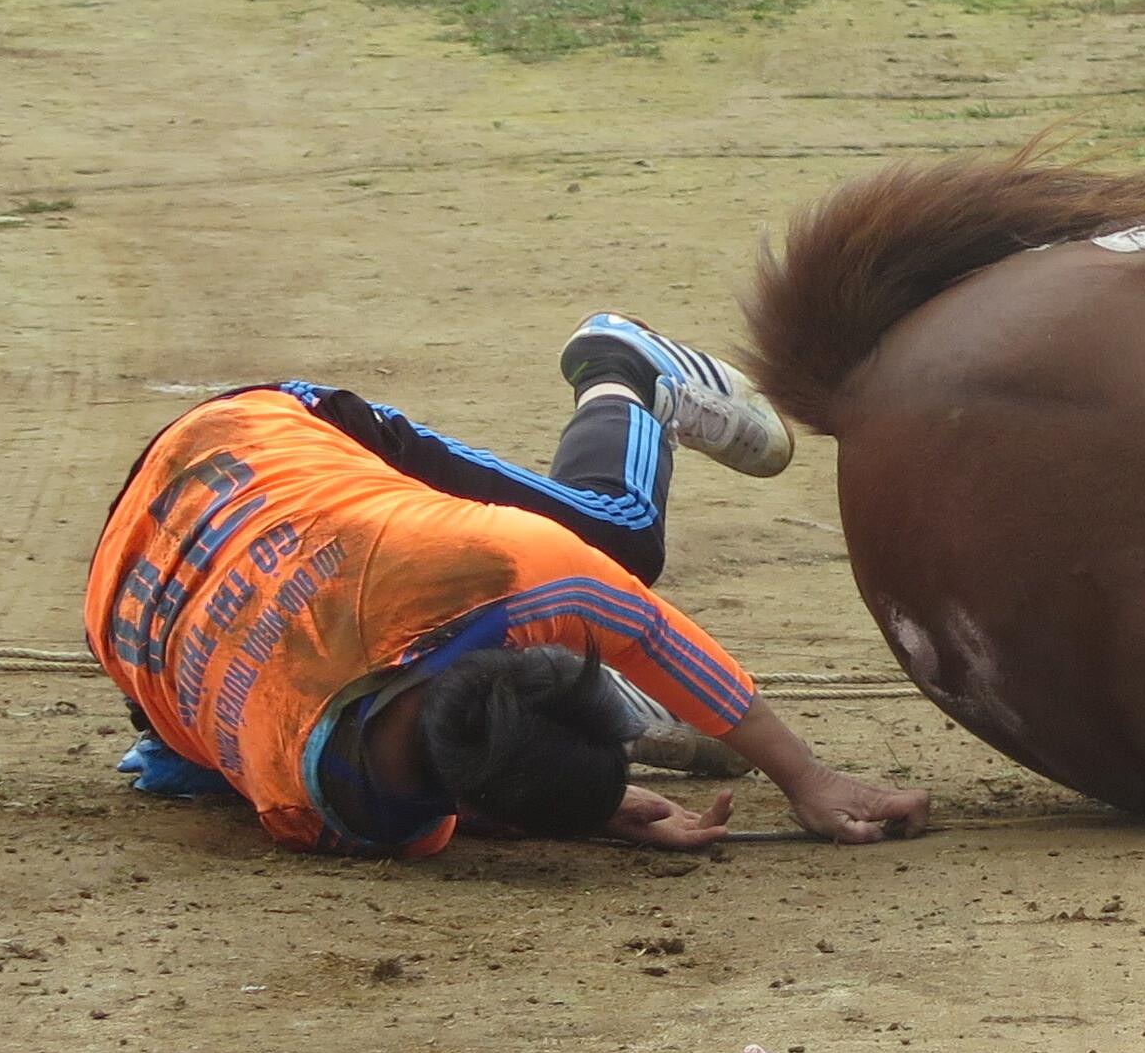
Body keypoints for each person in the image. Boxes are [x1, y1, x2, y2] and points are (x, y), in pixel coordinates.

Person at [88, 314, 930, 860]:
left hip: (242, 451)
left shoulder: (501, 569)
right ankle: (626, 371)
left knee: (607, 546)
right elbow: (455, 806)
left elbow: (648, 631)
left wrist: (803, 778)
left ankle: (621, 374)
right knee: (613, 545)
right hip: (134, 586)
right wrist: (590, 804)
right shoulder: (326, 813)